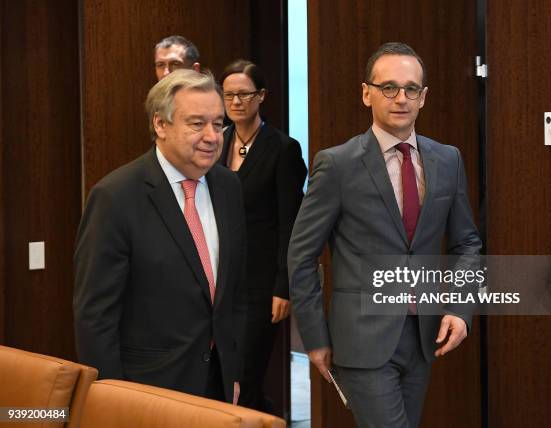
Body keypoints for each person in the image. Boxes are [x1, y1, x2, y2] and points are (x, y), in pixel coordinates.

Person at [288, 42, 482, 427]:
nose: (401, 98)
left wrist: (460, 308)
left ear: (423, 97)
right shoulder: (337, 164)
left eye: (411, 89)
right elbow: (301, 256)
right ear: (367, 93)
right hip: (361, 339)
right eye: (388, 87)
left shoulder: (447, 159)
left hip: (424, 335)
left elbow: (467, 243)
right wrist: (314, 338)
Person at [74, 69, 246, 405]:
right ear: (160, 125)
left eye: (218, 123)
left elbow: (234, 293)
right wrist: (111, 399)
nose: (212, 136)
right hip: (147, 389)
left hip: (219, 385)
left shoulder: (228, 187)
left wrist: (234, 372)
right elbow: (95, 316)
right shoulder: (116, 197)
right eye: (197, 124)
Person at [219, 59, 307, 412]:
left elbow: (290, 224)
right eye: (228, 95)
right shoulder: (216, 142)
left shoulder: (282, 149)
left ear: (262, 96)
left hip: (260, 284)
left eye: (244, 94)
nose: (236, 102)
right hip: (221, 279)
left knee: (246, 375)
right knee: (223, 373)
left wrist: (283, 287)